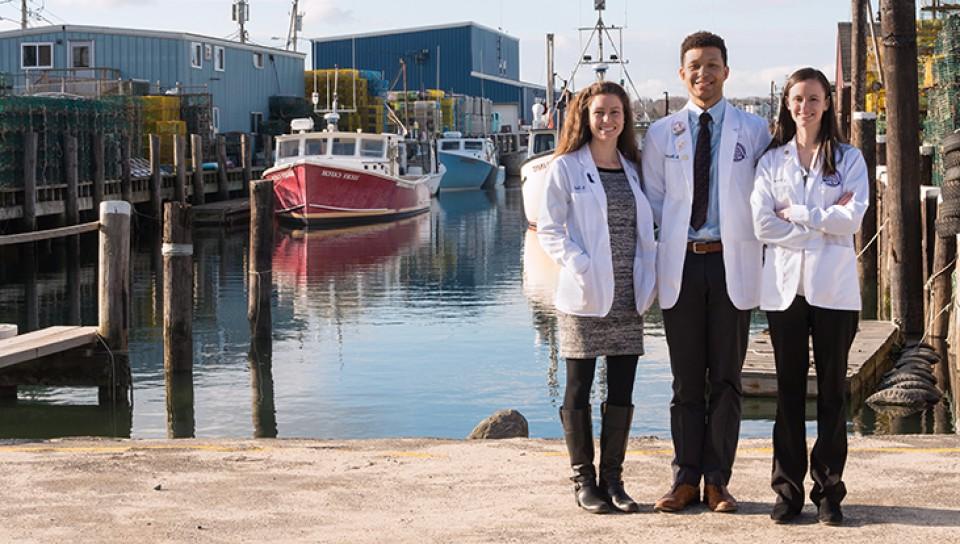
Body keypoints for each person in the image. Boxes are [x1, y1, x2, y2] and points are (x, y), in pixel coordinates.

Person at [641, 31, 771, 513]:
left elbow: (766, 194)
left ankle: (718, 481)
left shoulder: (753, 130)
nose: (704, 74)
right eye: (694, 66)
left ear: (726, 71)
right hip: (682, 264)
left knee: (728, 380)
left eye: (712, 65)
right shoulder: (661, 133)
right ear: (681, 74)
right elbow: (653, 203)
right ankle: (684, 479)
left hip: (731, 263)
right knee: (685, 381)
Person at [749, 67, 868, 526]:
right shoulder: (771, 161)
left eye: (814, 98)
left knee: (833, 392)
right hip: (785, 291)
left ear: (827, 103)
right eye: (798, 98)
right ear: (787, 103)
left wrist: (797, 215)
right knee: (789, 393)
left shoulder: (849, 159)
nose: (806, 107)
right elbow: (762, 223)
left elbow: (852, 220)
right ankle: (788, 489)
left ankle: (829, 490)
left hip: (834, 292)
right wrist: (820, 227)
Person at [538, 80, 657, 514]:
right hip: (585, 294)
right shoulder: (566, 168)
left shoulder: (633, 167)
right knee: (578, 386)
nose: (607, 121)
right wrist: (581, 263)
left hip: (628, 294)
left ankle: (614, 479)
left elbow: (648, 229)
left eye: (615, 113)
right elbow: (548, 230)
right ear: (585, 118)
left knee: (622, 389)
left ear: (626, 119)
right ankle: (583, 480)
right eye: (599, 113)